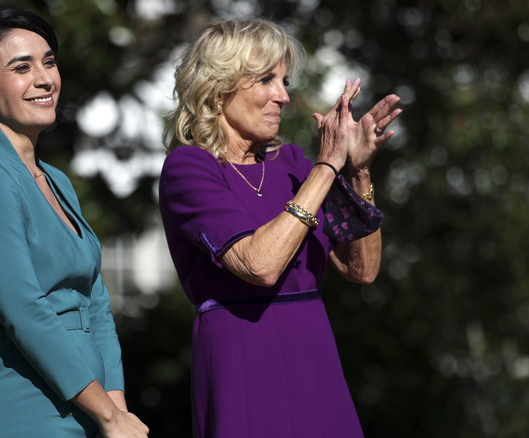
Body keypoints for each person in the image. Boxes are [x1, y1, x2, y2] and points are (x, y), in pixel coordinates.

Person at [158, 17, 402, 438]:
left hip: (312, 348)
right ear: (219, 87)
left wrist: (358, 172)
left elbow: (360, 269)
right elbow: (260, 265)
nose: (284, 96)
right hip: (243, 353)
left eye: (284, 81)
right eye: (267, 80)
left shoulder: (291, 164)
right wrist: (328, 166)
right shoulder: (189, 167)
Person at [0, 5, 149, 438]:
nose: (45, 78)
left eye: (49, 62)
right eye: (22, 67)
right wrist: (108, 416)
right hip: (23, 414)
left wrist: (116, 408)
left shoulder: (57, 180)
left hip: (88, 415)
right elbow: (23, 310)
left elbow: (96, 302)